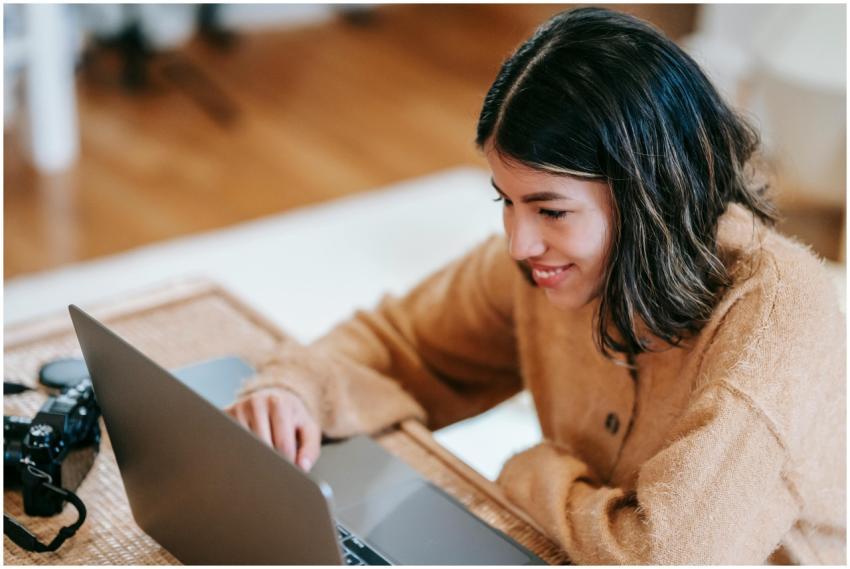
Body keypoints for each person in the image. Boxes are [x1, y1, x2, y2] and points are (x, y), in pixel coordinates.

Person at [226, 7, 845, 564]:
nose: (519, 244)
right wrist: (296, 388)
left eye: (551, 210)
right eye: (507, 201)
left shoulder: (777, 318)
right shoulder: (549, 264)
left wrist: (534, 475)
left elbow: (664, 559)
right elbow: (401, 342)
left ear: (650, 196)